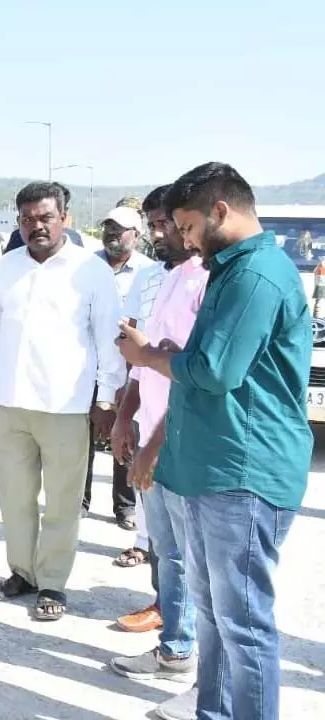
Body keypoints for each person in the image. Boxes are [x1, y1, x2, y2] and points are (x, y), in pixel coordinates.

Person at [119, 162, 311, 720]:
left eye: (188, 225)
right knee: (212, 615)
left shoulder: (257, 275)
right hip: (207, 468)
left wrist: (149, 355)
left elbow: (215, 370)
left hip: (244, 472)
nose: (183, 238)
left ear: (220, 212)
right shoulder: (228, 271)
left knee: (244, 625)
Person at [0, 181, 124, 621]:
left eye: (45, 218)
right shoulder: (7, 267)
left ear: (65, 219)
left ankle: (53, 582)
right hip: (13, 403)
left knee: (61, 501)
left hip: (68, 405)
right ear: (17, 221)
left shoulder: (90, 270)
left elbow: (107, 342)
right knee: (15, 496)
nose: (36, 226)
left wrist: (107, 401)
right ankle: (22, 573)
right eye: (27, 219)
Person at [107, 185, 207, 719]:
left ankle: (206, 682)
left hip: (180, 442)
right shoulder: (167, 279)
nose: (159, 234)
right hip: (148, 432)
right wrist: (126, 414)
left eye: (166, 224)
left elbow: (194, 376)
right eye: (153, 225)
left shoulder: (209, 285)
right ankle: (175, 650)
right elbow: (146, 358)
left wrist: (153, 444)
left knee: (198, 564)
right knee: (167, 554)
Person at [86, 206, 154, 530]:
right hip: (89, 360)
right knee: (84, 430)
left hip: (130, 364)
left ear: (137, 236)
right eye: (108, 227)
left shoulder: (149, 272)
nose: (113, 234)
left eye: (121, 229)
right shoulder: (86, 266)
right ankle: (79, 501)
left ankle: (125, 506)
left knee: (124, 431)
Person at [3, 183, 85, 252]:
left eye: (46, 218)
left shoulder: (86, 265)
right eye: (28, 219)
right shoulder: (5, 264)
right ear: (19, 221)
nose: (38, 226)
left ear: (63, 217)